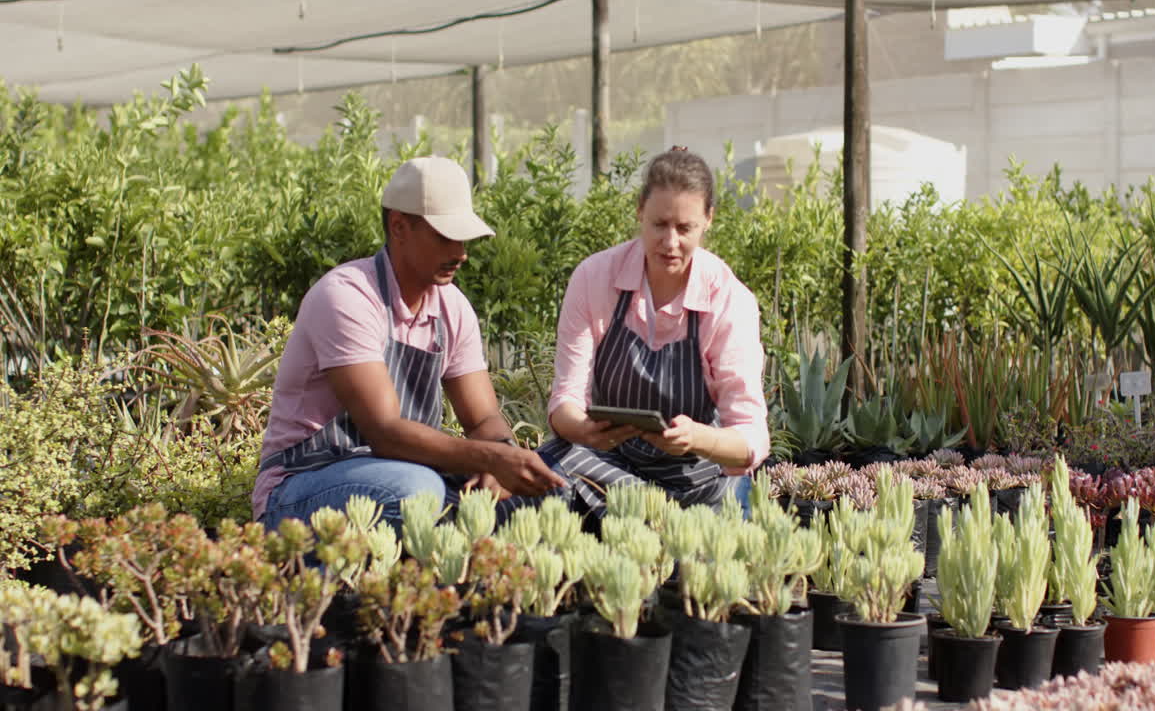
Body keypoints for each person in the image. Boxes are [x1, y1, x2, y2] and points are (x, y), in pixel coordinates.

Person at [253, 156, 566, 532]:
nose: (461, 253)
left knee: (548, 494)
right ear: (399, 227)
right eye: (445, 237)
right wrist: (488, 457)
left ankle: (457, 584)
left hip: (407, 475)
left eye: (463, 238)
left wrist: (503, 460)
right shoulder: (347, 296)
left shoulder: (452, 307)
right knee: (416, 491)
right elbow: (384, 431)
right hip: (304, 484)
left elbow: (483, 418)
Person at [538, 146, 769, 517]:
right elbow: (565, 399)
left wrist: (697, 438)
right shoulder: (595, 278)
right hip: (612, 468)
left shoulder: (730, 300)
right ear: (639, 211)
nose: (671, 242)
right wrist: (583, 429)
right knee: (544, 471)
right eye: (660, 224)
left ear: (708, 219)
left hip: (698, 482)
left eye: (685, 228)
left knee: (711, 545)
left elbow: (751, 437)